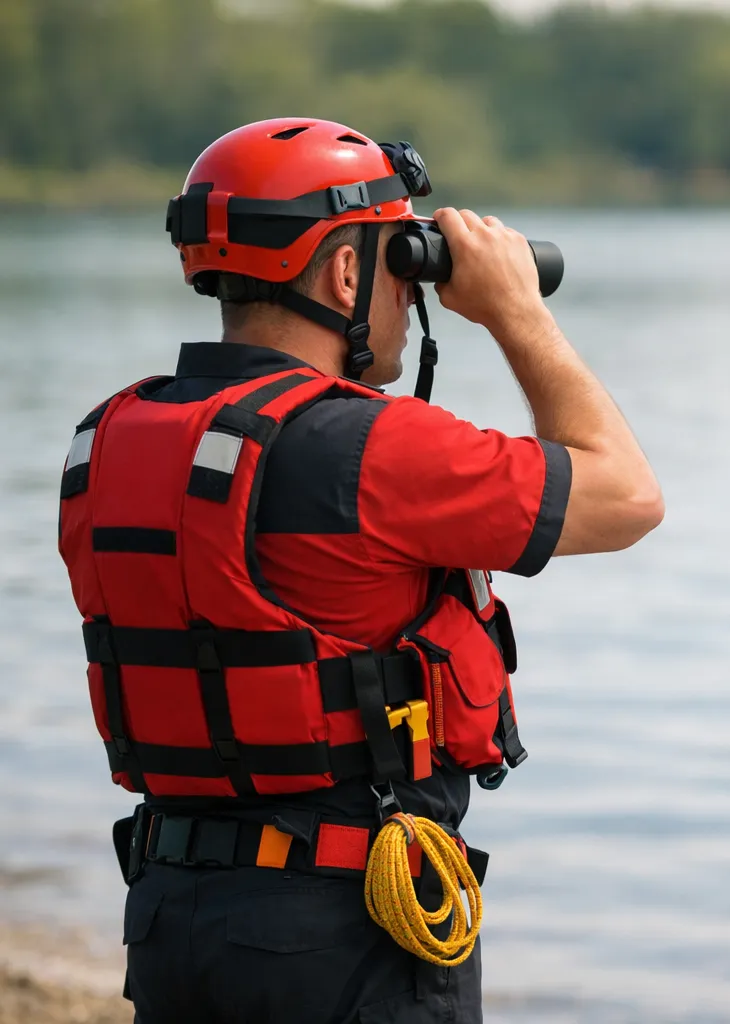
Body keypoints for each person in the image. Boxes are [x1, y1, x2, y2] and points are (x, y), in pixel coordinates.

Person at [57, 118, 663, 1024]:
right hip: (342, 937)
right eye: (396, 261)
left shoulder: (110, 439)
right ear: (345, 272)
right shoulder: (371, 449)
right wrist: (515, 309)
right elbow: (627, 496)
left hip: (170, 919)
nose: (404, 292)